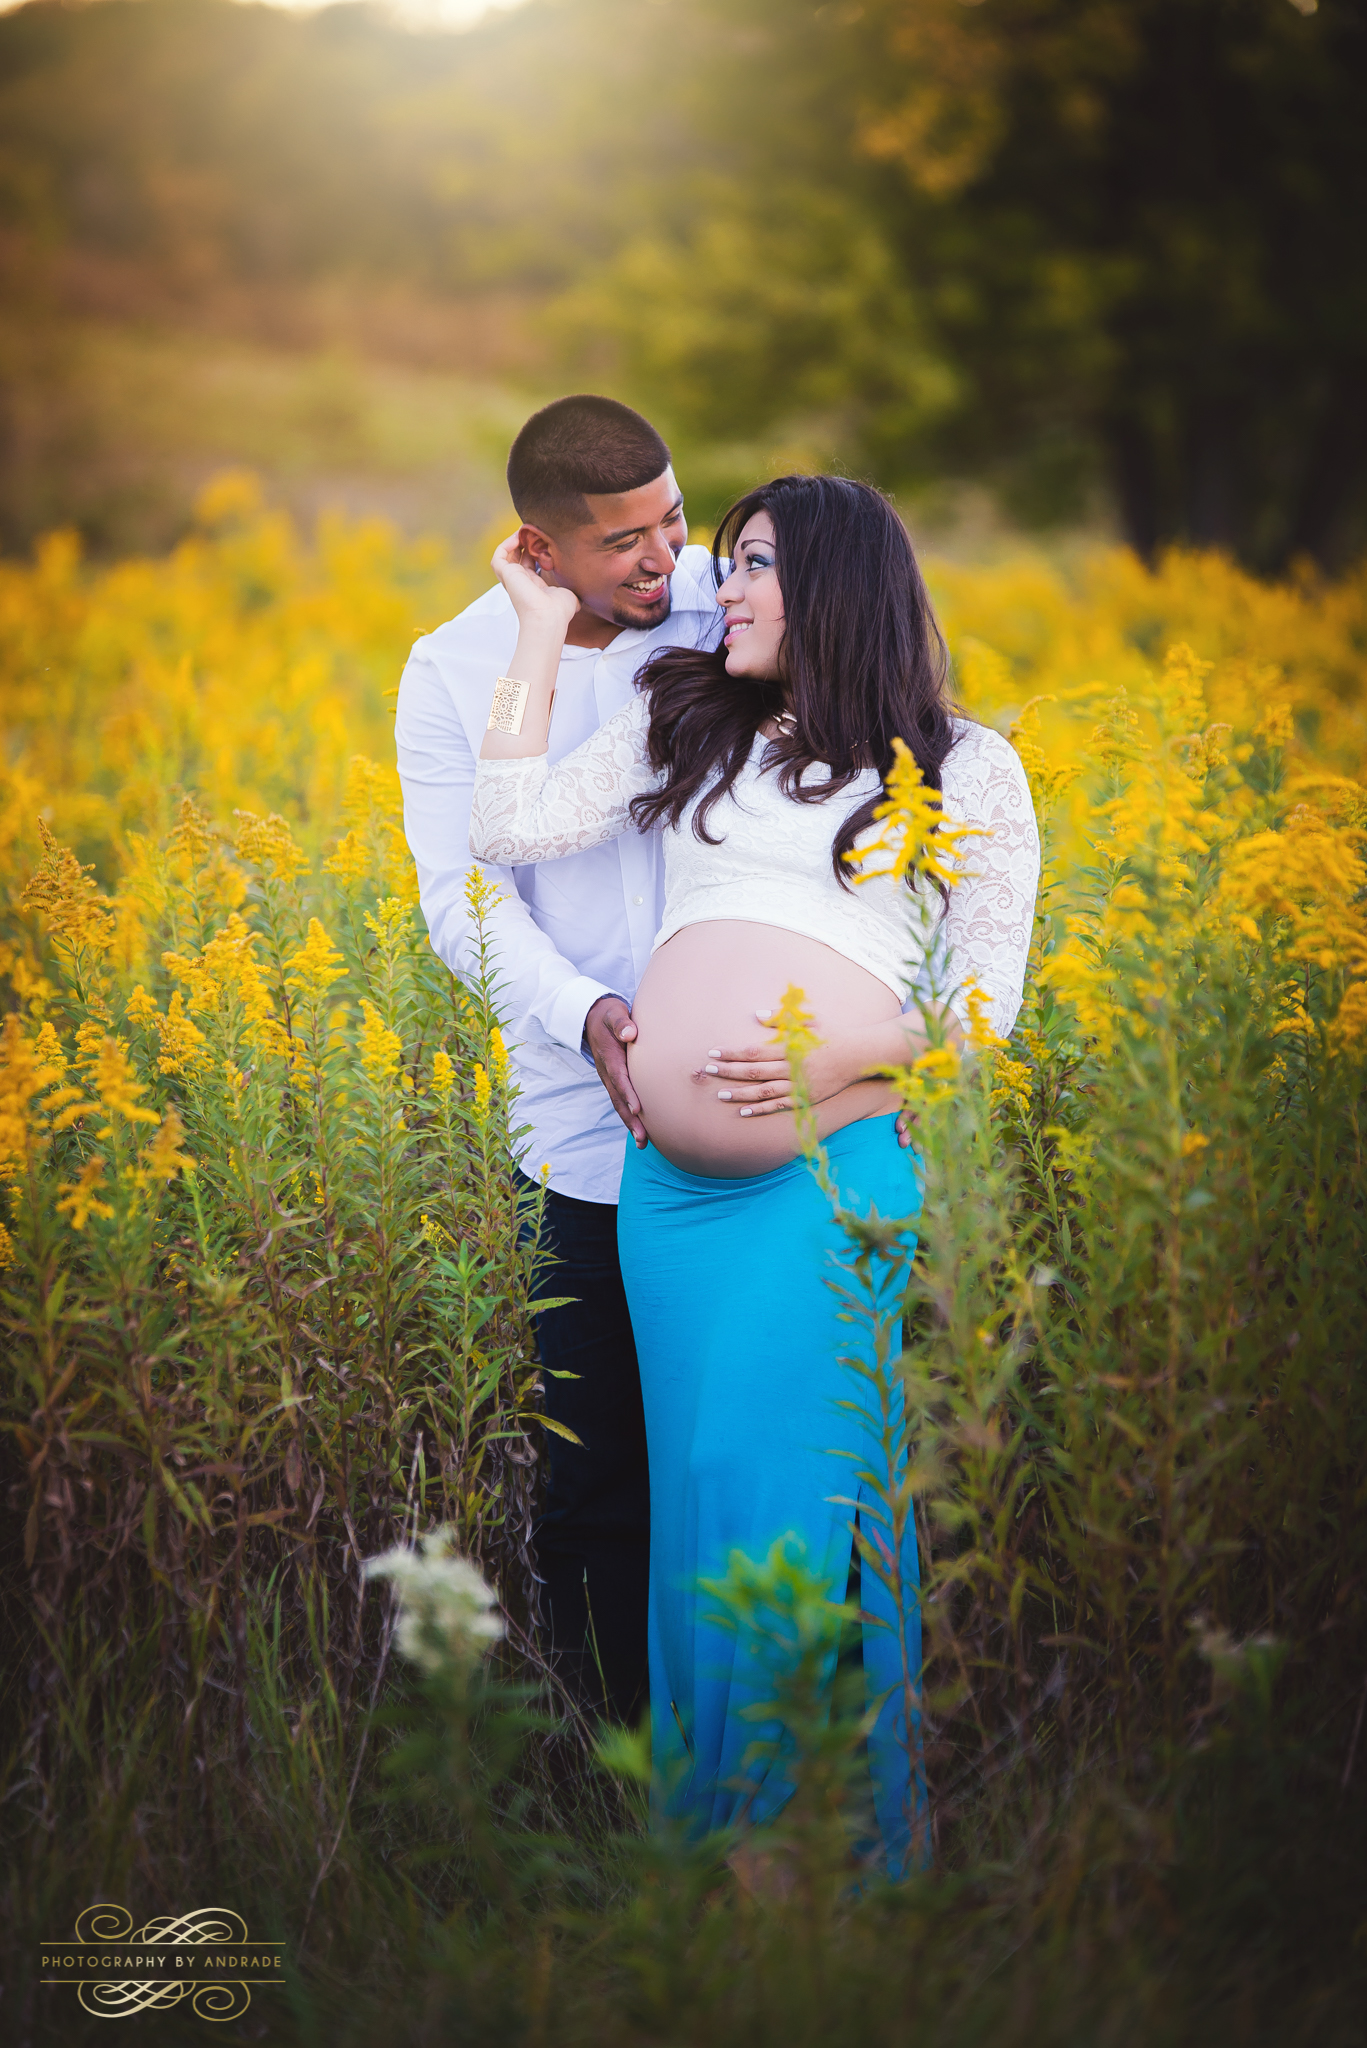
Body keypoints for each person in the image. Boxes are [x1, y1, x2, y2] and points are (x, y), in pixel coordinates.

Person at [467, 472, 1040, 1870]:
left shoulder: (966, 766)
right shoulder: (693, 723)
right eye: (725, 563)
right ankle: (715, 1856)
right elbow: (506, 828)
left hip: (831, 1185)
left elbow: (983, 1007)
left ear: (838, 585)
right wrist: (538, 628)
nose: (725, 588)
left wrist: (835, 1058)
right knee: (703, 1507)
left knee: (800, 1499)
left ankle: (822, 1858)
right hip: (676, 1208)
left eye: (756, 565)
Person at [395, 395, 725, 1725]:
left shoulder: (725, 606)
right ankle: (615, 1779)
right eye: (627, 546)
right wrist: (587, 1014)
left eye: (676, 521)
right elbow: (461, 900)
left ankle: (761, 1755)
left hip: (764, 1110)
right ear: (542, 548)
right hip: (583, 1136)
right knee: (600, 1478)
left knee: (743, 1452)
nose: (667, 562)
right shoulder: (455, 668)